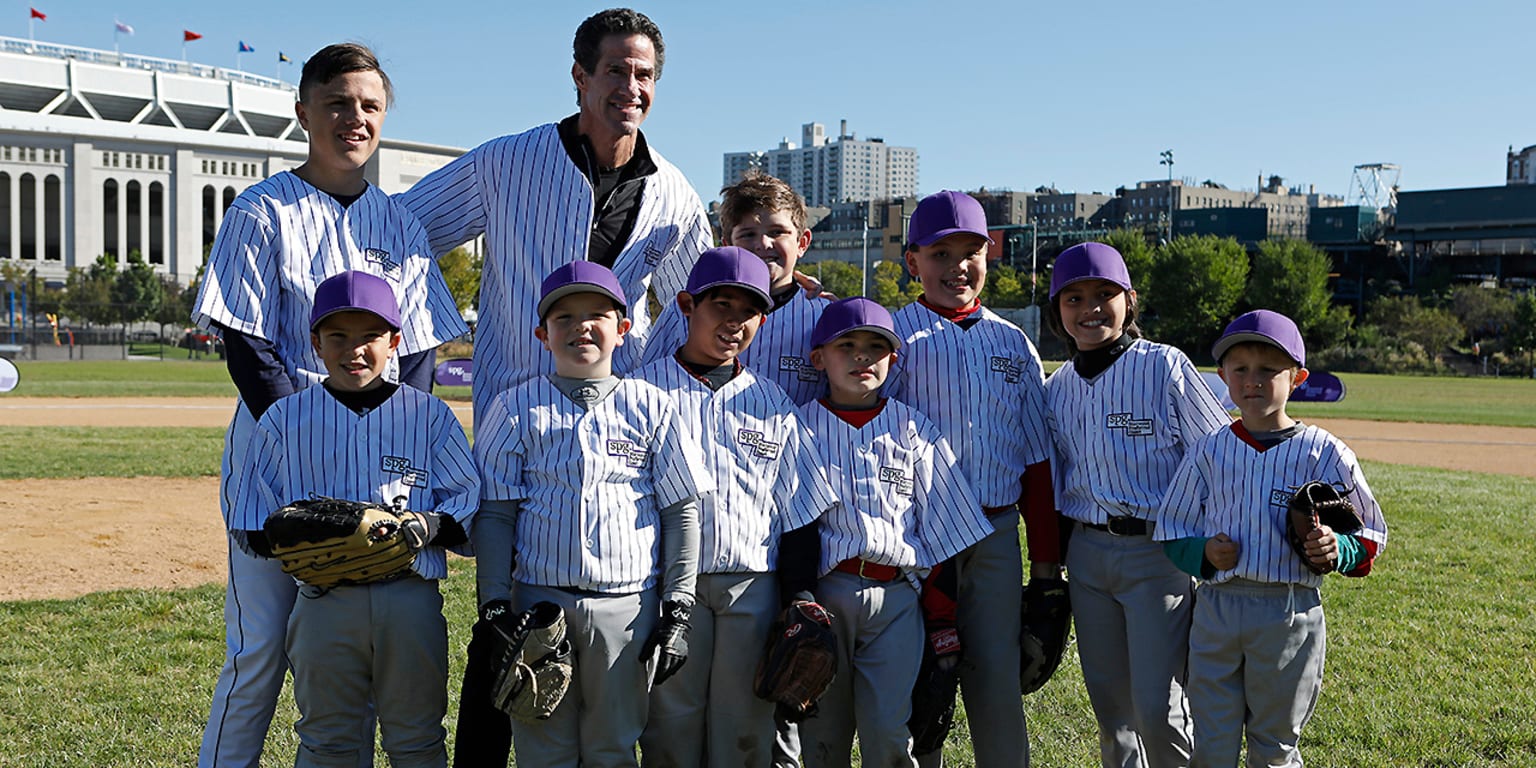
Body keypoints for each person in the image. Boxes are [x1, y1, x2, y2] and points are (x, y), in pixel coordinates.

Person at [190, 42, 467, 768]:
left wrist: (384, 448)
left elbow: (420, 350)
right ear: (304, 112)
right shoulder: (261, 210)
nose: (355, 117)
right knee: (257, 657)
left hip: (378, 479)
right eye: (339, 102)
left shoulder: (400, 223)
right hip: (274, 466)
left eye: (370, 105)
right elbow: (247, 347)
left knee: (368, 659)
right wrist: (312, 443)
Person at [230, 270, 478, 767]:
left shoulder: (428, 415)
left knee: (417, 741)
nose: (355, 349)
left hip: (409, 600)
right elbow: (251, 520)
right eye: (338, 336)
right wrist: (298, 539)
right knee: (328, 743)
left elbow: (468, 501)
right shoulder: (284, 418)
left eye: (370, 335)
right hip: (324, 601)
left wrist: (428, 525)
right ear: (316, 343)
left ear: (395, 342)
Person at [398, 7, 710, 400]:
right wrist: (428, 328)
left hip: (622, 420)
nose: (632, 87)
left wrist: (786, 290)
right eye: (616, 70)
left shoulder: (675, 194)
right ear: (581, 76)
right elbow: (397, 227)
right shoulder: (504, 162)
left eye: (644, 75)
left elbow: (704, 305)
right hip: (512, 411)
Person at [471, 261, 712, 768]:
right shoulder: (516, 408)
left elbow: (681, 511)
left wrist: (679, 605)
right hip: (539, 601)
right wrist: (494, 603)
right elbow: (496, 514)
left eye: (598, 315)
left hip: (626, 607)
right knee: (543, 748)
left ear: (623, 330)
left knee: (613, 746)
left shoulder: (651, 405)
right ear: (543, 333)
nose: (581, 326)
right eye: (565, 317)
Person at [632, 246, 838, 767]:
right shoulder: (640, 392)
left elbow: (799, 513)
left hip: (753, 583)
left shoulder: (771, 403)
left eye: (749, 311)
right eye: (721, 305)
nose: (734, 321)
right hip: (665, 585)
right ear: (685, 304)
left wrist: (801, 596)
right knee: (670, 726)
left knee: (744, 728)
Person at [1155, 310, 1387, 767]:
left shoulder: (1323, 451)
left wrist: (1336, 548)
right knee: (1213, 744)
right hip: (1217, 611)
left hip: (1289, 610)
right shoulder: (1210, 449)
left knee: (1275, 744)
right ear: (1223, 376)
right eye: (1240, 369)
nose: (1252, 381)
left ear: (1298, 377)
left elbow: (1371, 536)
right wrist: (1202, 552)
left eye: (1268, 369)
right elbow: (1172, 531)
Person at [885, 190, 1057, 767]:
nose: (957, 267)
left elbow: (1036, 461)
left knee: (996, 681)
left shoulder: (1013, 343)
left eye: (970, 252)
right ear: (913, 262)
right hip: (919, 540)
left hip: (993, 534)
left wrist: (1048, 568)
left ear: (989, 256)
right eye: (940, 254)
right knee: (920, 686)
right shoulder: (892, 339)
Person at [1043, 242, 1230, 768]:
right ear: (1058, 311)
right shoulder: (1056, 388)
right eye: (1073, 298)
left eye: (1105, 294)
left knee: (1158, 707)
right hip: (1087, 554)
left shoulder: (1163, 366)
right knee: (1112, 712)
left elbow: (1218, 454)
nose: (1090, 309)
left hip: (1158, 552)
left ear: (1130, 300)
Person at [795, 297, 993, 768]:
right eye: (847, 345)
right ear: (819, 357)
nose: (862, 356)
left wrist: (942, 619)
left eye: (875, 347)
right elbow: (792, 531)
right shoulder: (797, 426)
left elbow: (944, 530)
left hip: (897, 596)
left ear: (893, 360)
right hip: (826, 595)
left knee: (888, 731)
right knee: (822, 734)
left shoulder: (913, 430)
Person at [643, 171, 829, 404]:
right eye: (748, 234)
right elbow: (646, 381)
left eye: (777, 232)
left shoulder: (823, 318)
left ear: (802, 243)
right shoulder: (687, 310)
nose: (763, 244)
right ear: (727, 244)